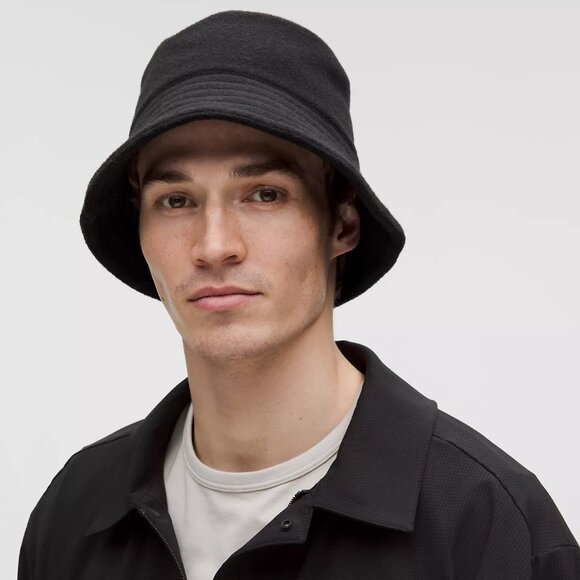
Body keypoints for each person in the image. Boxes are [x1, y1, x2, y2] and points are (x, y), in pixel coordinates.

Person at [18, 10, 579, 580]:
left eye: (265, 194)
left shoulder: (484, 525)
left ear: (342, 224)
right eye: (176, 201)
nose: (214, 246)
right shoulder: (73, 512)